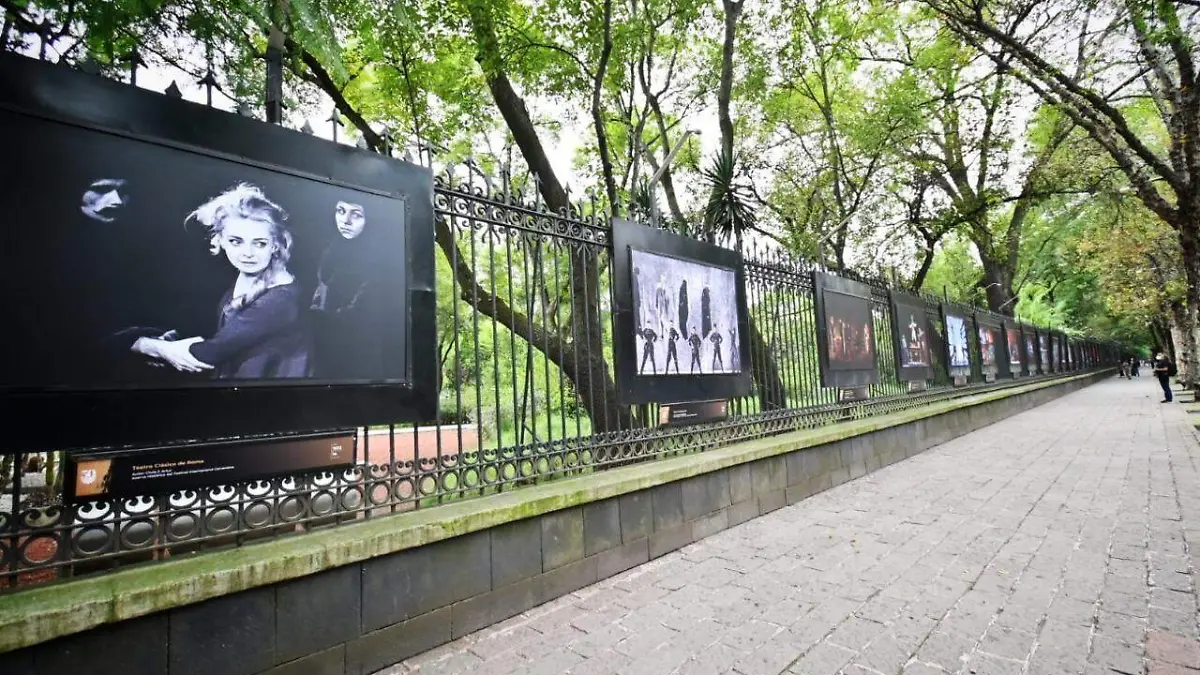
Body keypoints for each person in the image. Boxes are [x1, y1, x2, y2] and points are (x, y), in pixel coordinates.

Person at [131, 183, 311, 378]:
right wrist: (172, 342)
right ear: (220, 240)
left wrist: (147, 345)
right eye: (236, 241)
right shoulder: (248, 278)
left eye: (260, 243)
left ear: (275, 245)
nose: (247, 253)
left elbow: (209, 354)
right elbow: (231, 336)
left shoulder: (280, 300)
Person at [309, 200, 386, 378]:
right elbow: (319, 295)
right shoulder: (329, 252)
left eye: (356, 214)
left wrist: (321, 320)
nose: (346, 220)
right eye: (341, 211)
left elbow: (364, 310)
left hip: (358, 354)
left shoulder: (378, 260)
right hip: (323, 350)